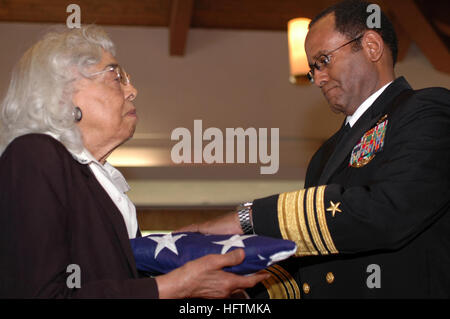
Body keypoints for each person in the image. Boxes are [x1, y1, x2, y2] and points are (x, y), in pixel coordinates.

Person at [180, 0, 450, 298]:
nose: (318, 78)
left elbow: (388, 211)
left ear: (371, 46)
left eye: (323, 60)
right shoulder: (325, 154)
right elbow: (313, 266)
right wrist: (237, 287)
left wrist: (247, 219)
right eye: (312, 69)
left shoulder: (426, 109)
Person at [0, 26, 268, 298]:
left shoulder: (104, 185)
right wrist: (174, 286)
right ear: (61, 93)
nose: (132, 90)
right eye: (116, 76)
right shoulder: (34, 154)